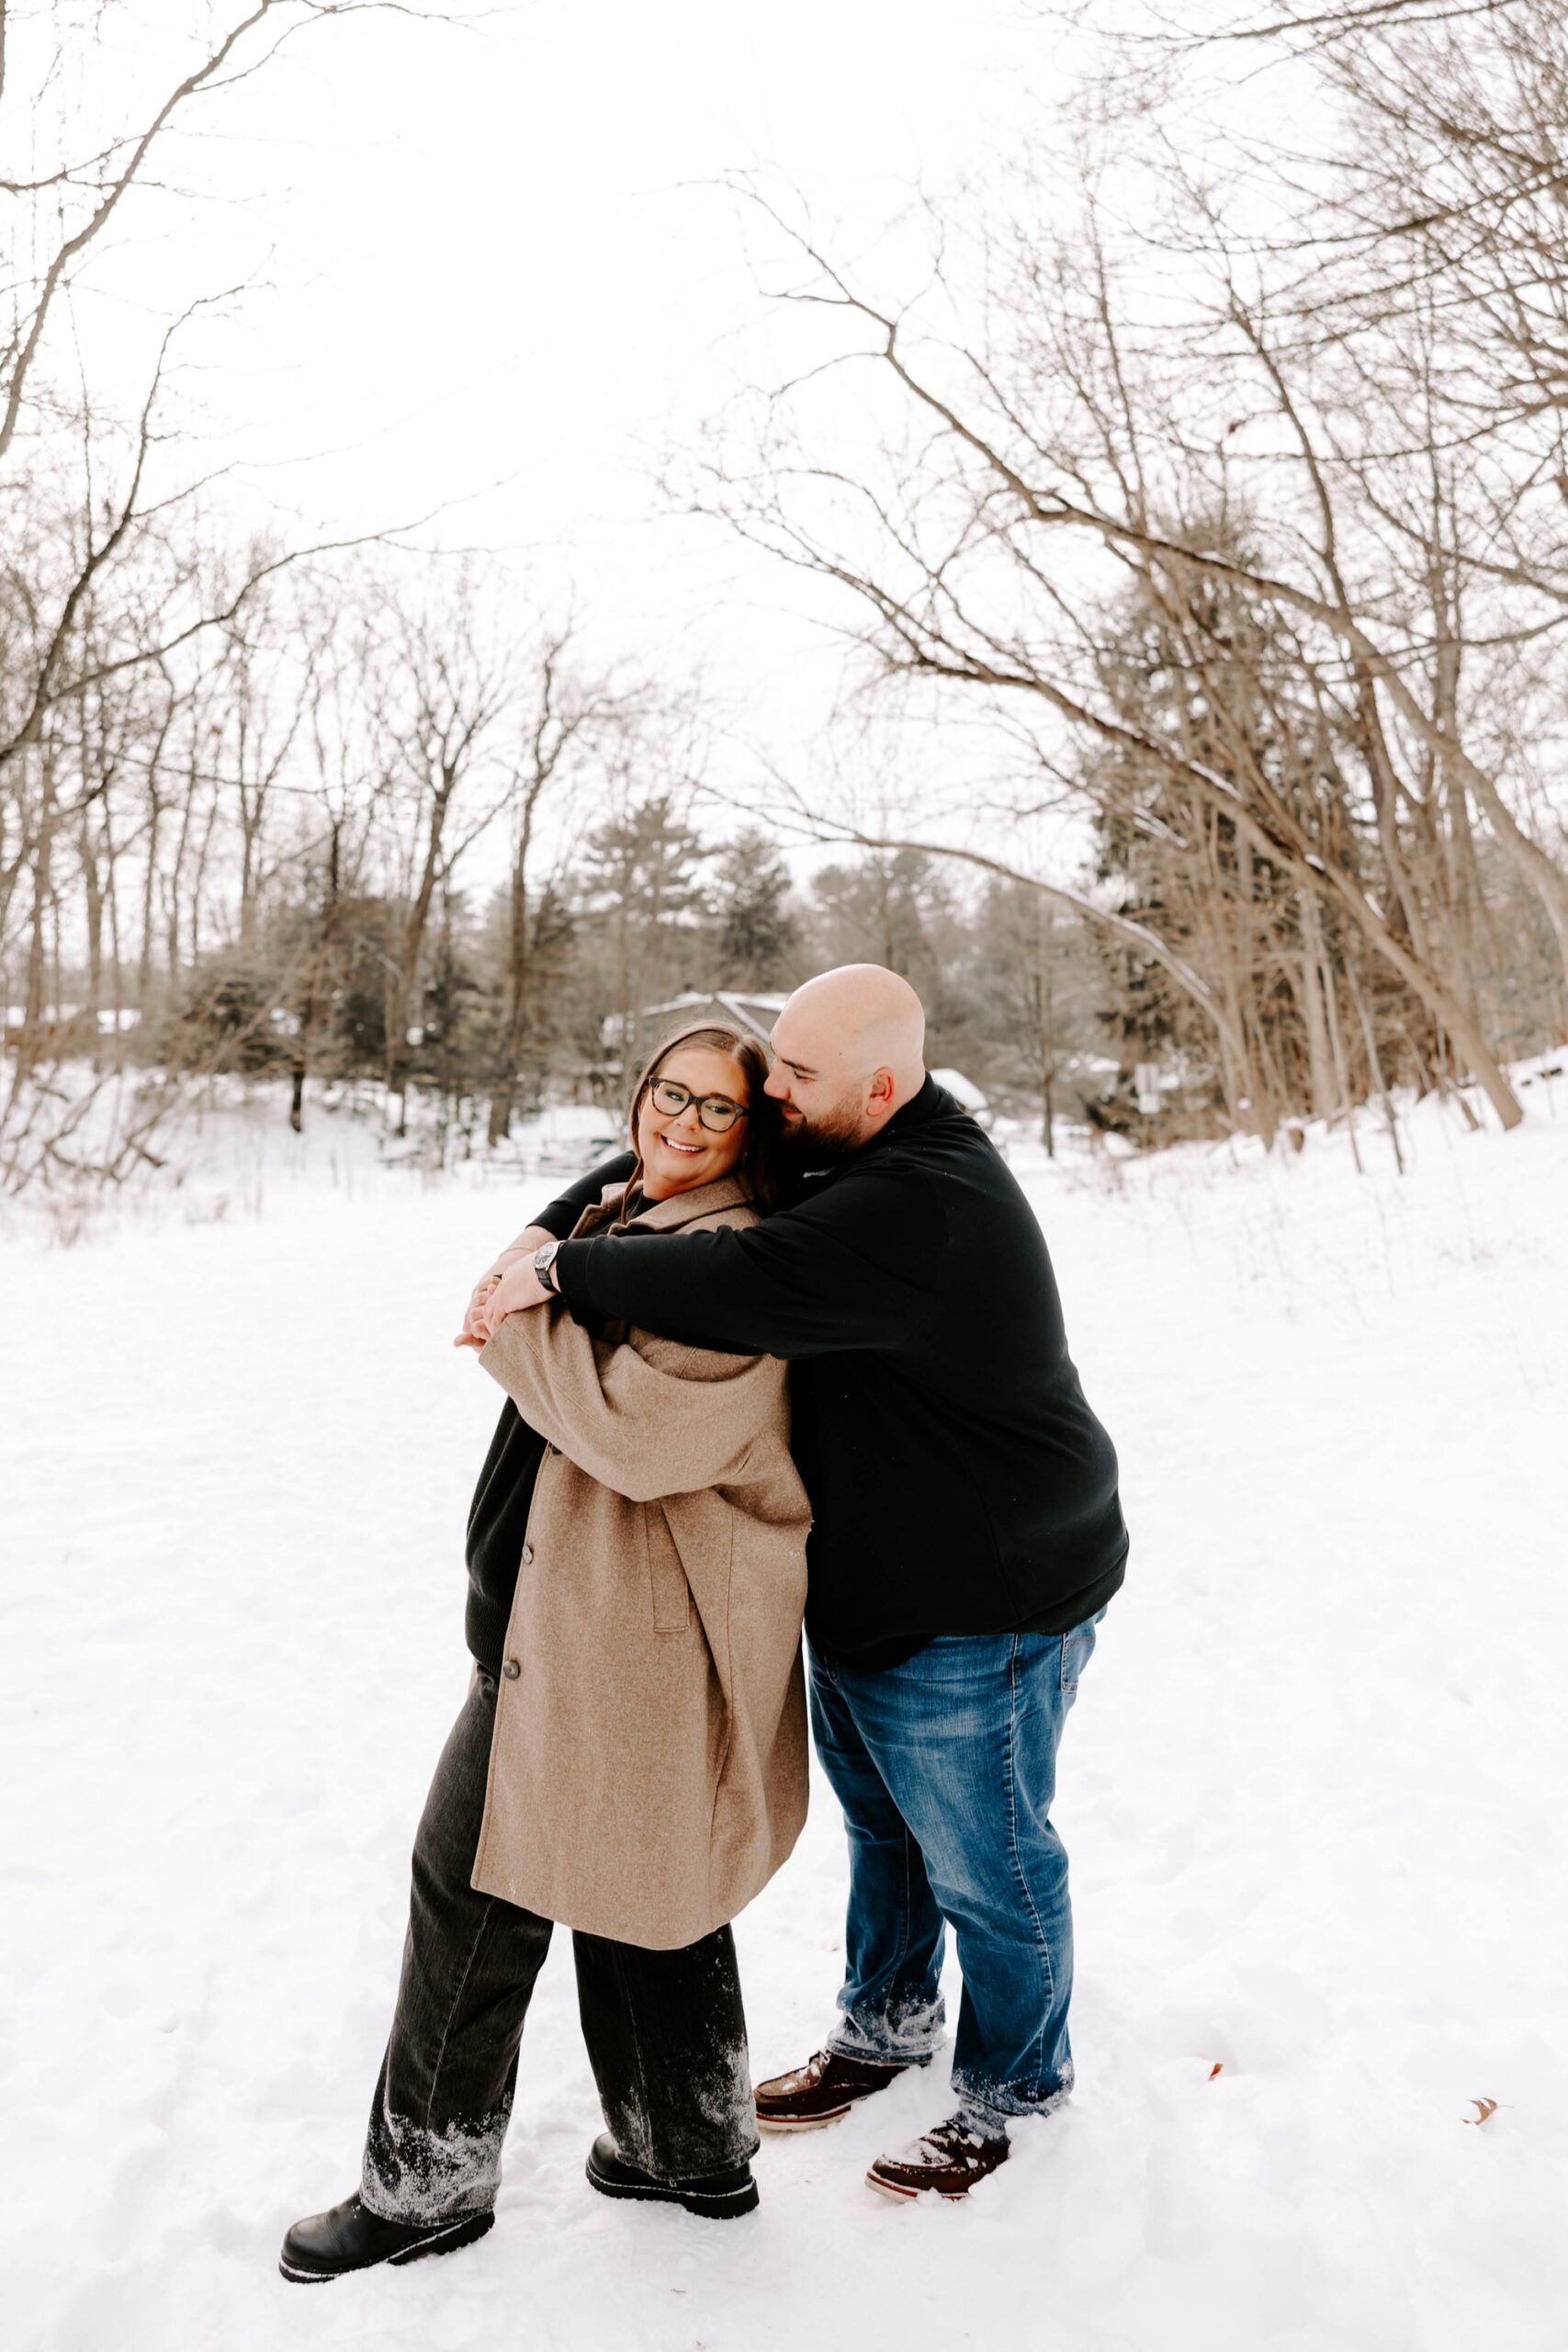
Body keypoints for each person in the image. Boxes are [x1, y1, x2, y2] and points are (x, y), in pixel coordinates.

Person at [492, 965, 1128, 2202]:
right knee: (886, 1838)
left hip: (984, 1596)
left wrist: (560, 1276)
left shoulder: (922, 1201)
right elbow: (671, 1163)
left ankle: (1017, 2084)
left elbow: (733, 1280)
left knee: (988, 1860)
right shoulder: (848, 1129)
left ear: (880, 1087)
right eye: (772, 1067)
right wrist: (553, 1217)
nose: (772, 1094)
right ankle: (885, 2028)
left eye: (798, 1076)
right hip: (870, 1581)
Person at [279, 1025, 811, 2282]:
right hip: (587, 1620)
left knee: (471, 1883)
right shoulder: (633, 1212)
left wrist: (520, 1316)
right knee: (646, 1877)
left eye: (714, 1108)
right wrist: (542, 1260)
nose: (679, 1121)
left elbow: (638, 1440)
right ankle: (686, 2147)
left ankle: (425, 2188)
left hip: (626, 1632)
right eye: (665, 1093)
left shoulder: (732, 1262)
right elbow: (558, 1273)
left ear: (755, 1130)